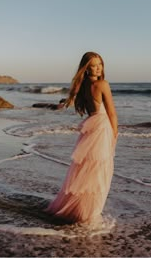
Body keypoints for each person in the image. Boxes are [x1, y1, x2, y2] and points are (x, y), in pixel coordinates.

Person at [45, 51, 118, 224]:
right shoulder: (102, 84)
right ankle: (88, 214)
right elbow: (112, 114)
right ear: (86, 68)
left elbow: (77, 101)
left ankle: (80, 210)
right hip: (101, 128)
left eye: (100, 64)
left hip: (92, 125)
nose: (98, 68)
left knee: (87, 170)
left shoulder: (84, 84)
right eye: (94, 65)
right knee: (98, 172)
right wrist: (114, 136)